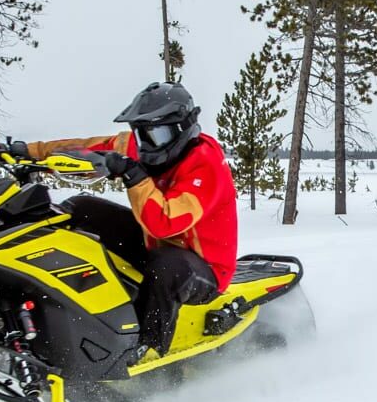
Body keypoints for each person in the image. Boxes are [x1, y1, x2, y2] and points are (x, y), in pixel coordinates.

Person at [20, 82, 238, 359]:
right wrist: (29, 152)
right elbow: (87, 148)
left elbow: (166, 221)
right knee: (81, 209)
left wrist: (134, 175)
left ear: (181, 128)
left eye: (156, 134)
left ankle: (148, 348)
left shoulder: (204, 163)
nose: (147, 143)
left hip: (204, 268)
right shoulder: (144, 145)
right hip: (155, 245)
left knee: (166, 269)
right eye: (142, 133)